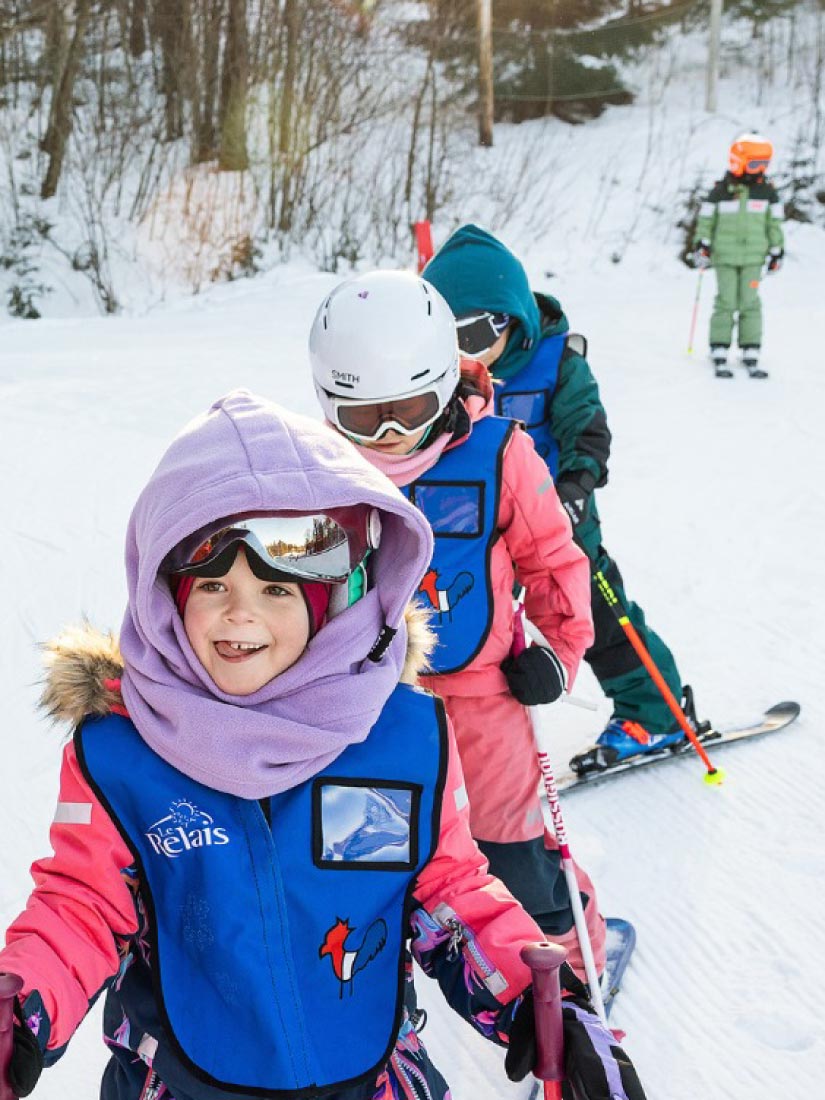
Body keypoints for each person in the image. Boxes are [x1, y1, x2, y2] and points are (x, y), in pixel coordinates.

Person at [0, 391, 645, 1100]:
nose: (237, 612)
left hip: (371, 1076)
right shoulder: (122, 753)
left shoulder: (398, 737)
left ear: (332, 606)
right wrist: (21, 1005)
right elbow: (81, 909)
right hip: (180, 1083)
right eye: (211, 584)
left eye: (277, 590)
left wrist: (539, 999)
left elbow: (450, 892)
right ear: (166, 598)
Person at [309, 271, 606, 962]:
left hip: (487, 692)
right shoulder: (320, 469)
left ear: (444, 383)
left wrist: (557, 655)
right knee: (371, 853)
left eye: (411, 407)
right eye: (364, 418)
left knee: (514, 854)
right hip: (375, 705)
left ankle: (567, 963)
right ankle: (382, 979)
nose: (391, 435)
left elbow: (553, 562)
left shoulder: (500, 453)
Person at [421, 225, 695, 776]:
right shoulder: (439, 378)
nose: (460, 355)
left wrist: (574, 488)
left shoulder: (556, 363)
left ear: (511, 319)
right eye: (443, 337)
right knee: (475, 630)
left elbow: (588, 432)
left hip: (557, 528)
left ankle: (657, 712)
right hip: (481, 535)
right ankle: (471, 745)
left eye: (472, 336)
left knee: (595, 618)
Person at [692, 131, 784, 378]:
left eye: (764, 164)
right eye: (755, 164)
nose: (759, 169)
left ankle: (750, 348)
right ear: (739, 161)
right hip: (725, 256)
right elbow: (706, 220)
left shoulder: (767, 192)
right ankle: (719, 346)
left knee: (750, 302)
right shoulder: (721, 190)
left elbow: (774, 223)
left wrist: (777, 250)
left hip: (754, 257)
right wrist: (702, 244)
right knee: (726, 301)